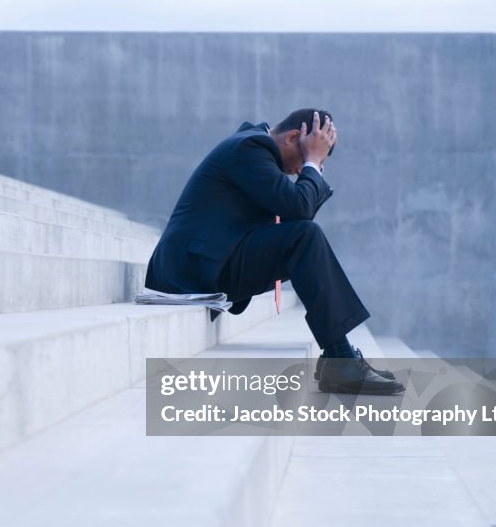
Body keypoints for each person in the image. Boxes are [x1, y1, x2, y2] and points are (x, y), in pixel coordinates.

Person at [144, 109, 403, 395]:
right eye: (301, 161)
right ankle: (340, 359)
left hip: (211, 262)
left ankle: (339, 357)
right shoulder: (250, 148)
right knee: (305, 238)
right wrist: (312, 165)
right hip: (188, 271)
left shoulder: (255, 150)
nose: (297, 172)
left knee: (304, 236)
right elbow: (299, 209)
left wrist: (312, 164)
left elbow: (298, 211)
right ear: (294, 137)